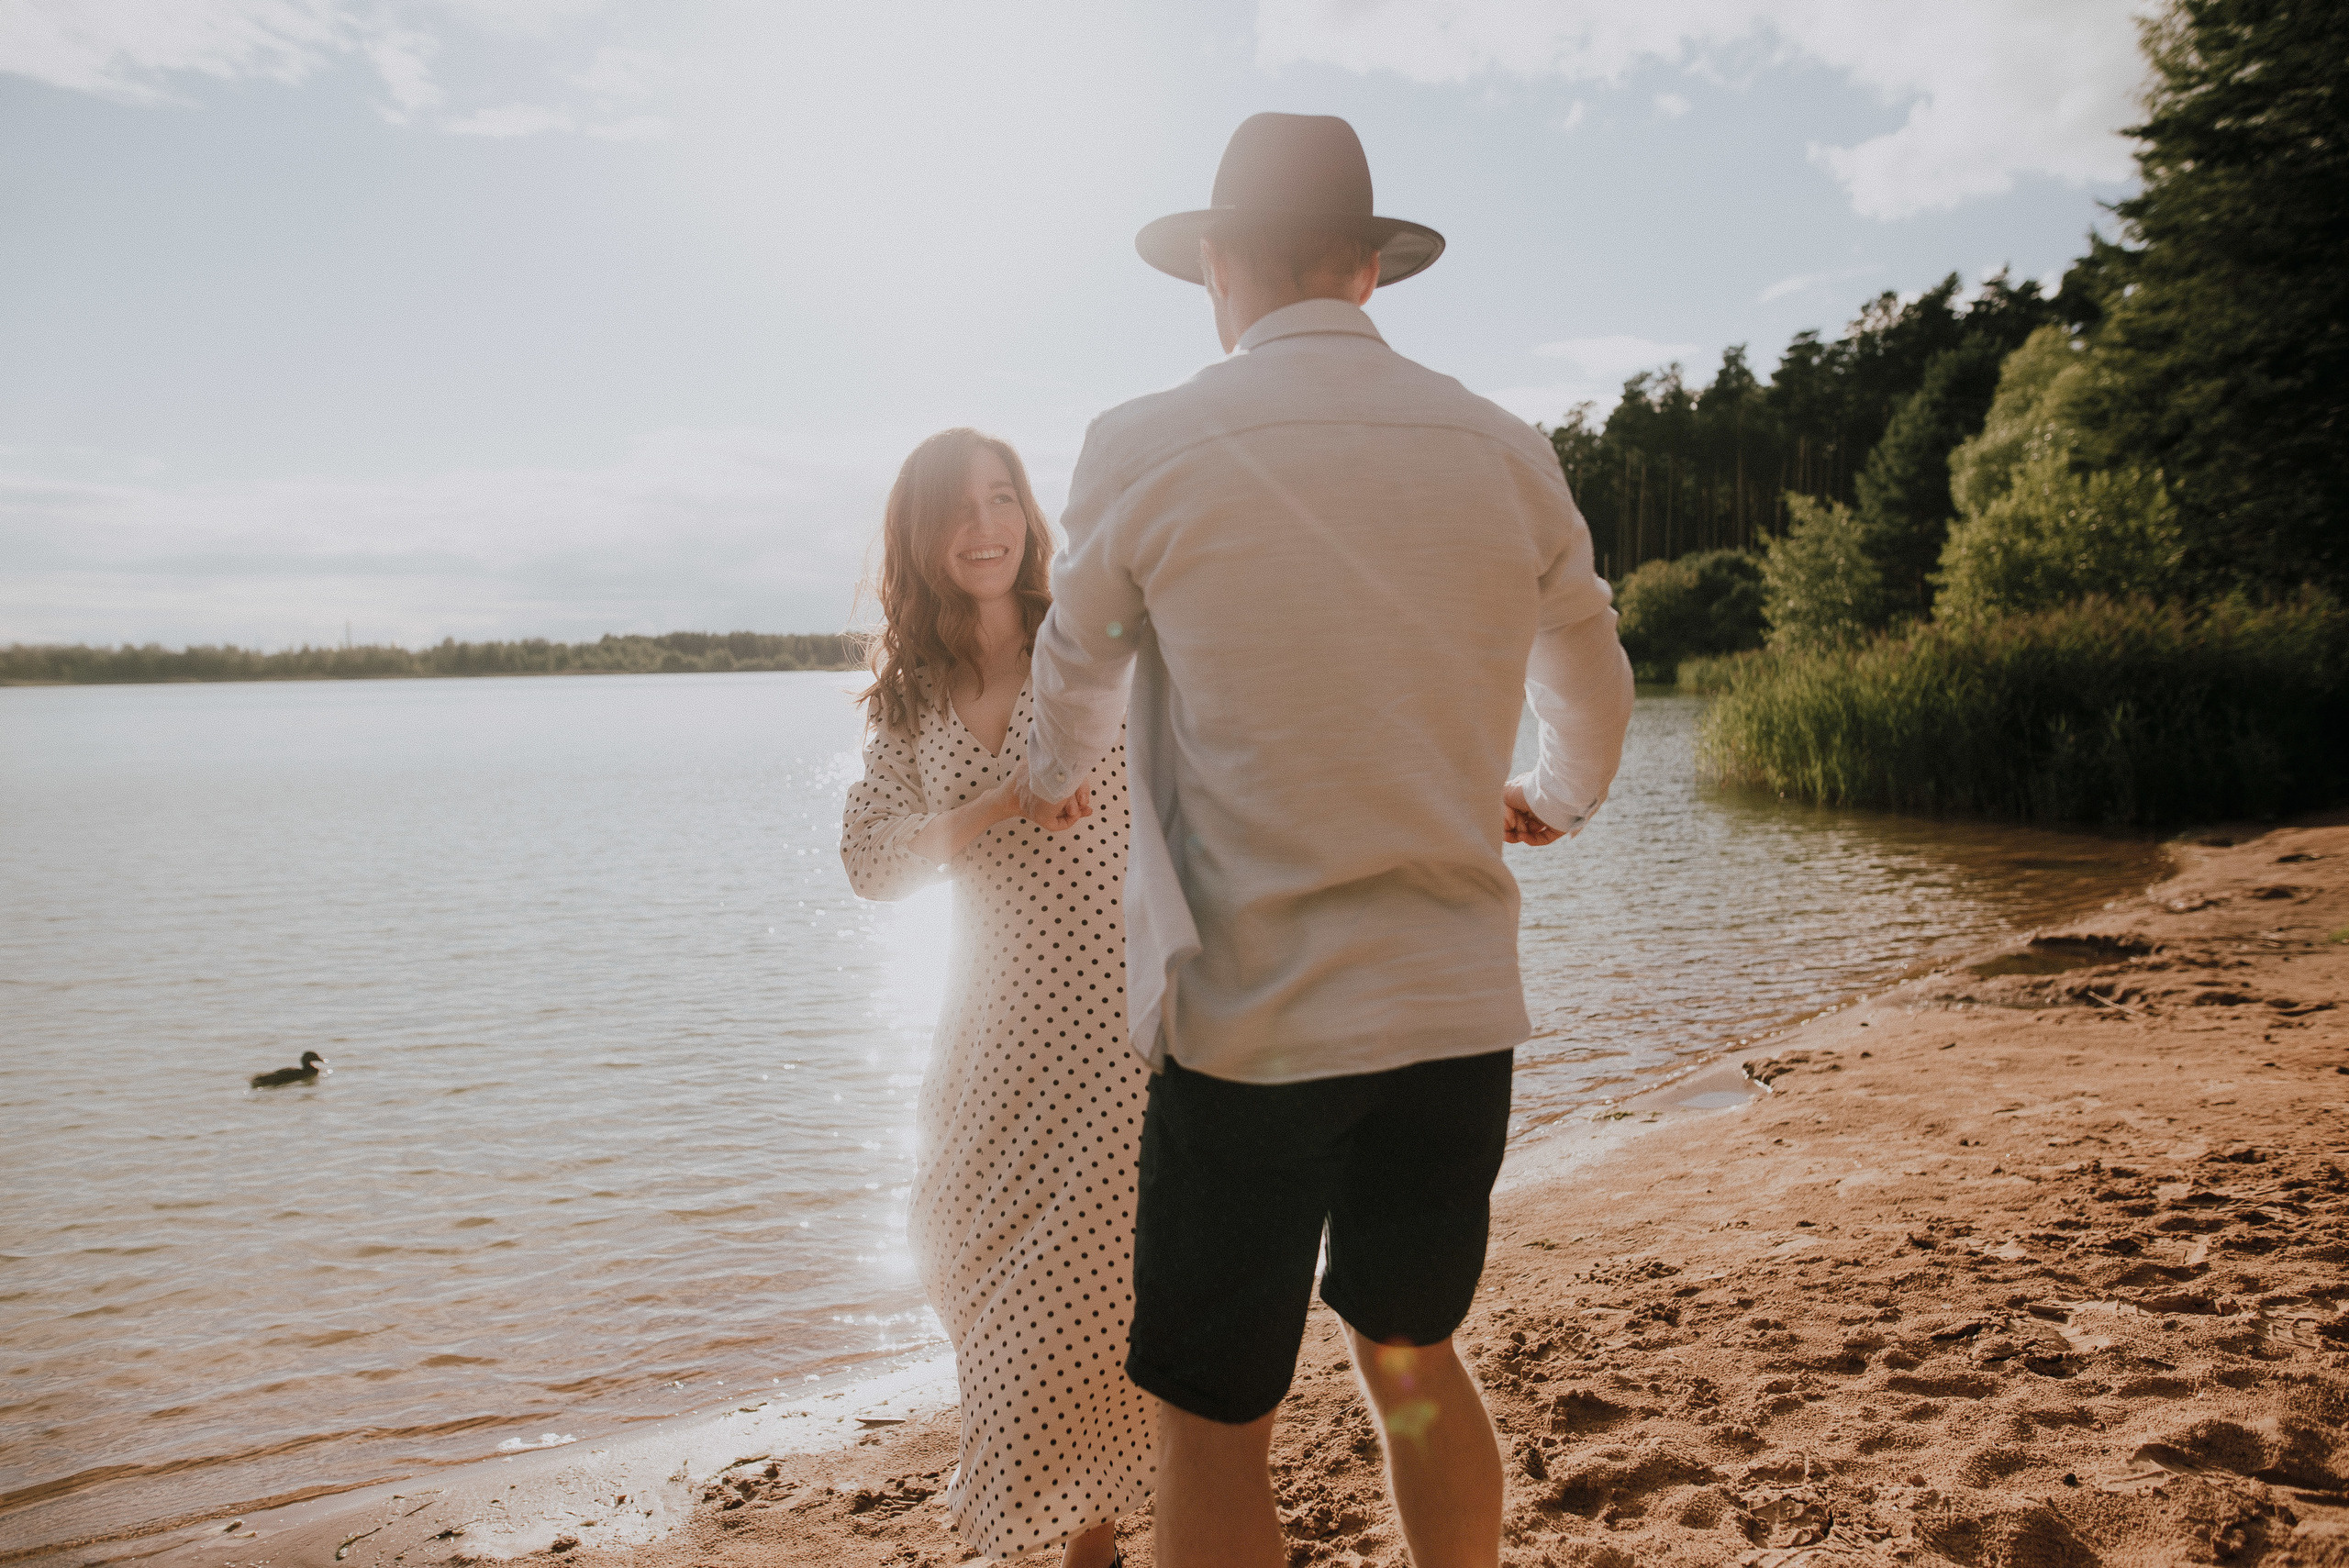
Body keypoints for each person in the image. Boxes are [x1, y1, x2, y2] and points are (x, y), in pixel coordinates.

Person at [1015, 114, 1636, 1568]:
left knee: (1216, 1423)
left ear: (1222, 269)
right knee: (1411, 1357)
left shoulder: (1149, 442)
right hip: (1451, 1016)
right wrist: (1551, 797)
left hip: (1256, 1032)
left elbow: (1076, 660)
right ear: (1368, 271)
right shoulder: (1497, 442)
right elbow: (1591, 666)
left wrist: (1058, 774)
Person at [841, 428, 1152, 1568]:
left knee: (1078, 1303)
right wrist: (1002, 806)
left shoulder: (1095, 644)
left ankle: (1088, 1543)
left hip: (1115, 1029)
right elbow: (872, 862)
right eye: (956, 509)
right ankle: (1087, 1536)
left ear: (1028, 513)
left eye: (1002, 498)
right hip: (984, 1037)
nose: (985, 527)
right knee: (964, 1265)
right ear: (918, 540)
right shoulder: (910, 698)